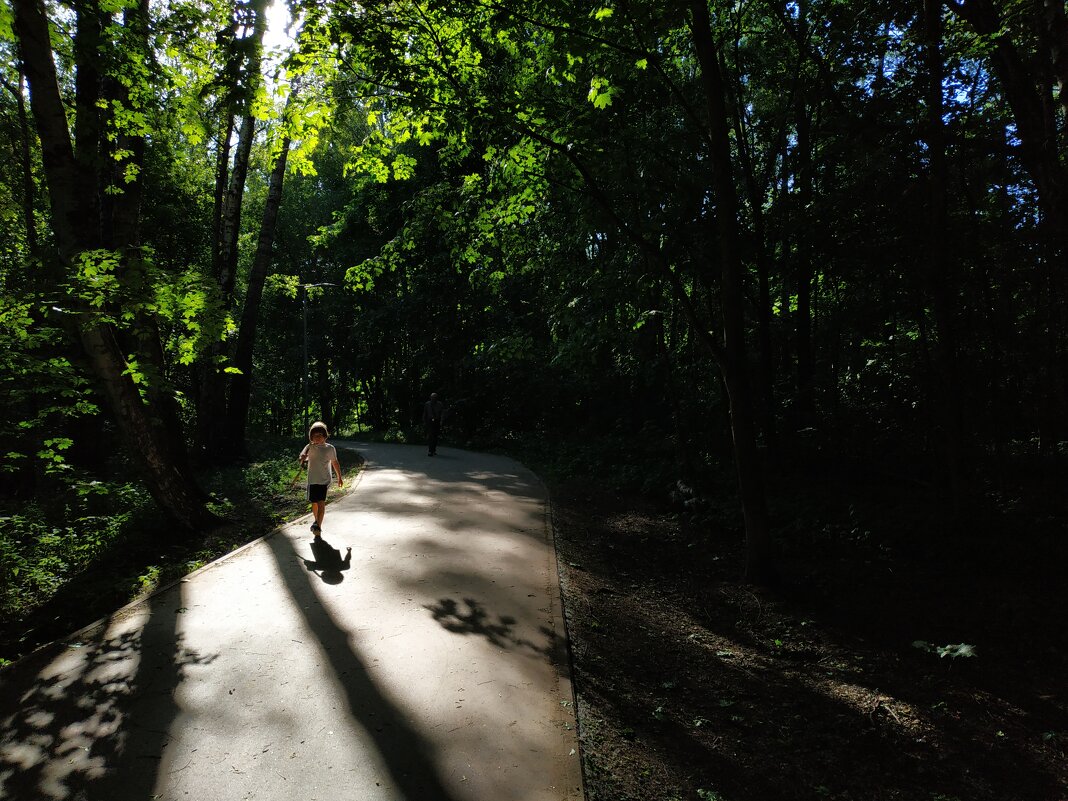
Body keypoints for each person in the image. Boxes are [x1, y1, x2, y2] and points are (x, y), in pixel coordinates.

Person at [299, 421, 343, 537]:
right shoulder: (309, 447)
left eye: (319, 435)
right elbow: (302, 456)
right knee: (314, 503)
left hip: (324, 480)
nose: (317, 437)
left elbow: (335, 463)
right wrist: (302, 457)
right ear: (311, 437)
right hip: (312, 480)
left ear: (325, 435)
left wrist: (339, 477)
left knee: (321, 503)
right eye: (314, 435)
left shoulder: (330, 448)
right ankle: (316, 521)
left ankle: (318, 525)